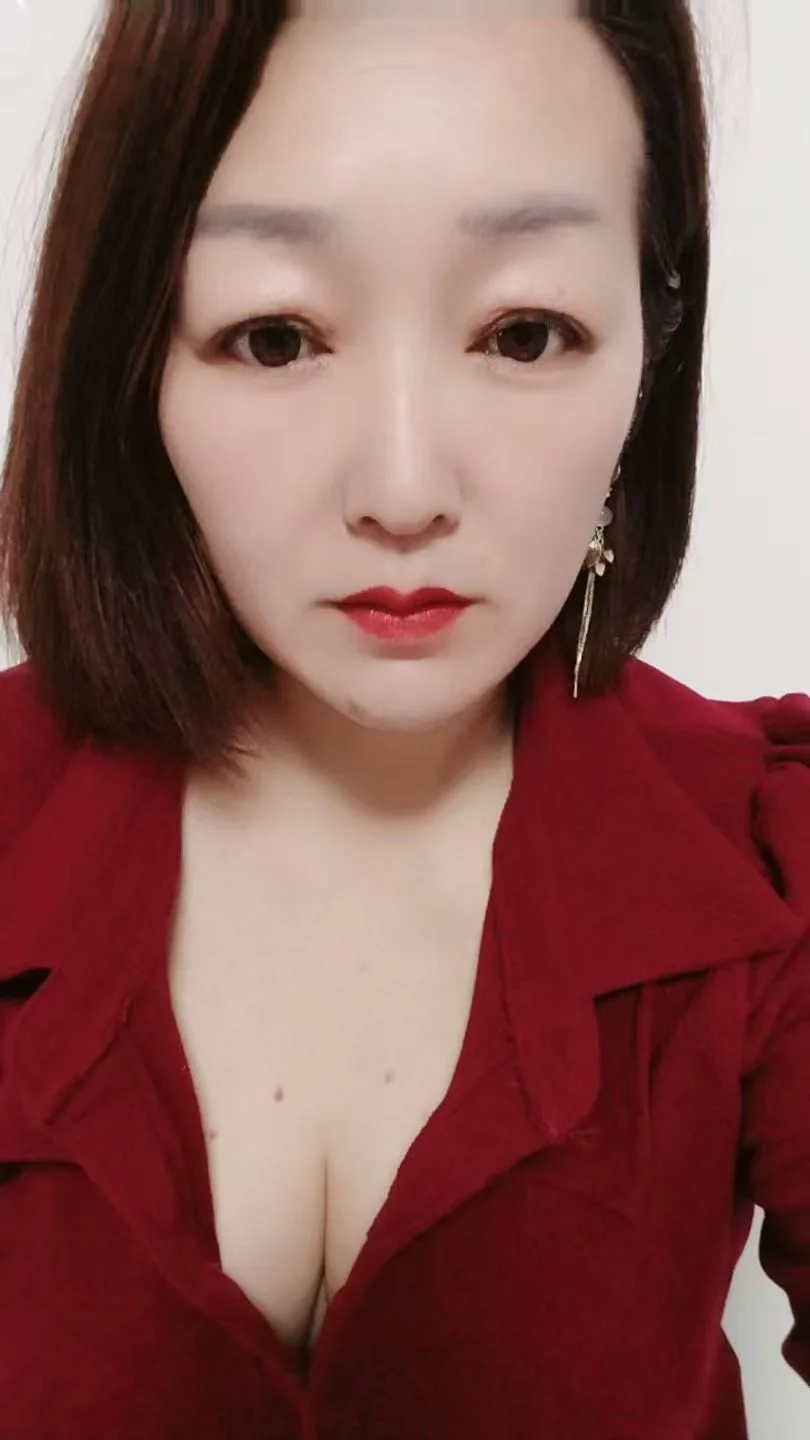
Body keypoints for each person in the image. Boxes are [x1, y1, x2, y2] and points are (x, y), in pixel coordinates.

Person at [0, 1, 807, 1436]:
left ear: (653, 341)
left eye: (523, 332)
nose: (401, 487)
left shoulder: (766, 858)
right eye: (273, 337)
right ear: (135, 356)